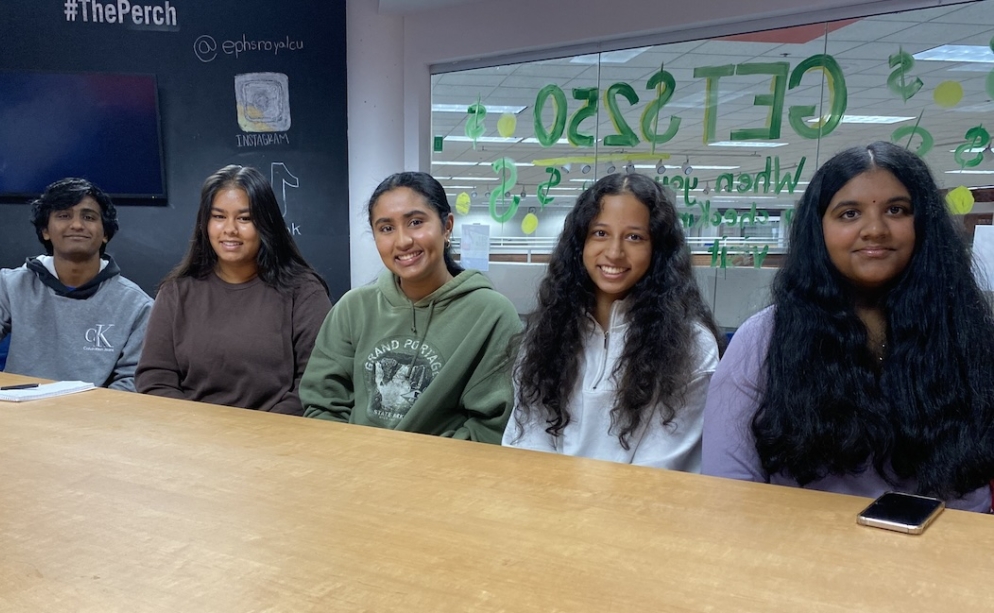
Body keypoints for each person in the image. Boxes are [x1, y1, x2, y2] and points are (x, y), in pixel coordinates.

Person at [702, 141, 994, 512]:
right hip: (791, 554)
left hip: (932, 557)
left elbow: (970, 489)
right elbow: (729, 487)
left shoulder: (964, 335)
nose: (875, 229)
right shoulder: (764, 339)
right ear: (819, 231)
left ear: (924, 224)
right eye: (849, 213)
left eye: (896, 209)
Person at [502, 173, 722, 470]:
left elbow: (661, 466)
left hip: (637, 510)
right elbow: (526, 440)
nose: (615, 253)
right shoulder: (547, 333)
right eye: (600, 233)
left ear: (657, 249)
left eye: (634, 237)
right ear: (580, 243)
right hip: (548, 506)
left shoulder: (691, 345)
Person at [300, 171, 520, 443]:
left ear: (447, 226)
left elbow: (493, 424)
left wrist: (416, 468)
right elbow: (323, 403)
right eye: (386, 228)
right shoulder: (353, 308)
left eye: (416, 222)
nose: (402, 241)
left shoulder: (491, 314)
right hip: (356, 467)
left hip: (444, 475)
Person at [136, 165, 331, 415]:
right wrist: (195, 428)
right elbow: (155, 379)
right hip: (191, 436)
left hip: (276, 438)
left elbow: (312, 383)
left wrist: (259, 432)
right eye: (218, 217)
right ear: (204, 224)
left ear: (266, 223)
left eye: (244, 218)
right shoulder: (176, 292)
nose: (230, 229)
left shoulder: (303, 292)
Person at [0, 178, 152, 391]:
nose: (76, 225)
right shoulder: (11, 285)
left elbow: (133, 381)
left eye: (89, 217)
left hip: (93, 417)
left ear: (105, 234)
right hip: (15, 413)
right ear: (45, 230)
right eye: (63, 215)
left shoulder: (137, 305)